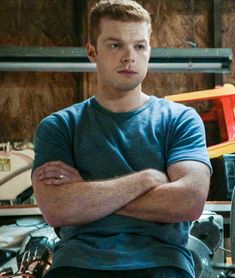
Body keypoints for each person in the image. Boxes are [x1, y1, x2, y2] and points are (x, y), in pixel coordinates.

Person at [31, 0, 212, 277]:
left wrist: (86, 196)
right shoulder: (59, 126)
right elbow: (57, 209)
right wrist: (147, 180)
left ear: (149, 50)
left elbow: (189, 201)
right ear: (92, 51)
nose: (129, 56)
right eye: (115, 45)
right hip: (78, 264)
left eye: (139, 46)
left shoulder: (180, 120)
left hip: (162, 264)